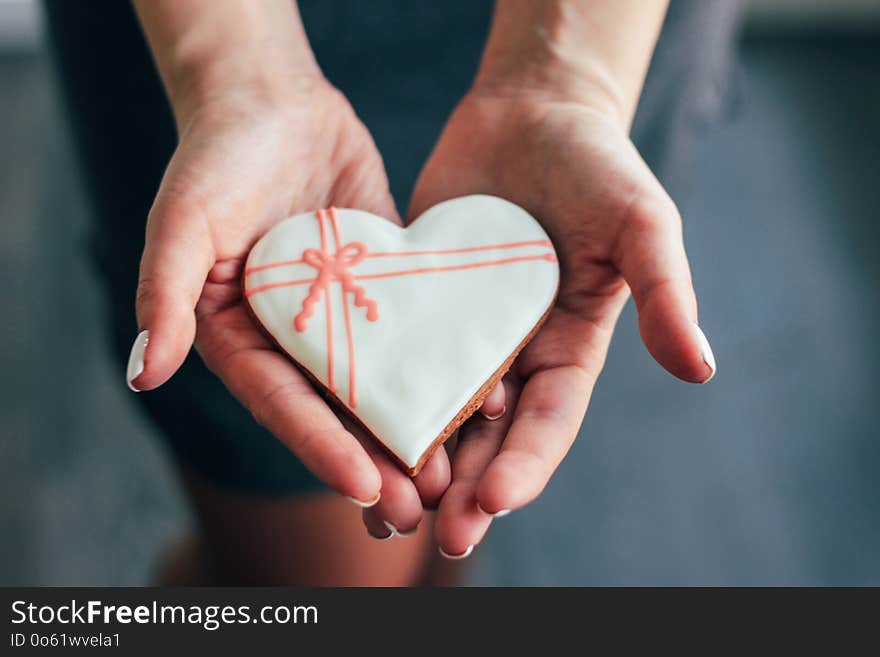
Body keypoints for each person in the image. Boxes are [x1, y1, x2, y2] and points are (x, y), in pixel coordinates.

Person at [45, 0, 739, 585]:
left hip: (602, 32)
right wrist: (237, 77)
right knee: (302, 575)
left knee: (458, 508)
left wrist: (566, 77)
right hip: (211, 33)